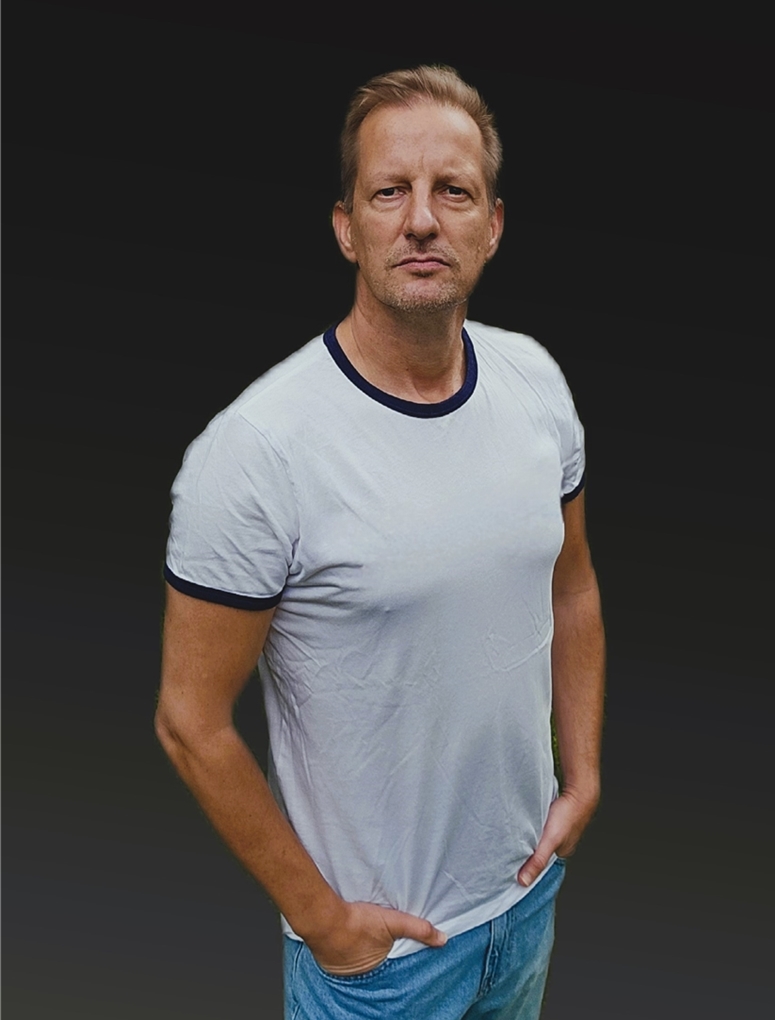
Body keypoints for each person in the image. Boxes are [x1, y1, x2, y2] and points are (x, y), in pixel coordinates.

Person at [155, 65, 605, 1020]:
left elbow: (572, 589)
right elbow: (190, 722)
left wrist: (586, 774)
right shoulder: (260, 451)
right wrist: (323, 922)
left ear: (493, 225)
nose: (422, 220)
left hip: (526, 905)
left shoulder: (534, 382)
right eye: (390, 191)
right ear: (346, 227)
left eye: (454, 191)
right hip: (383, 965)